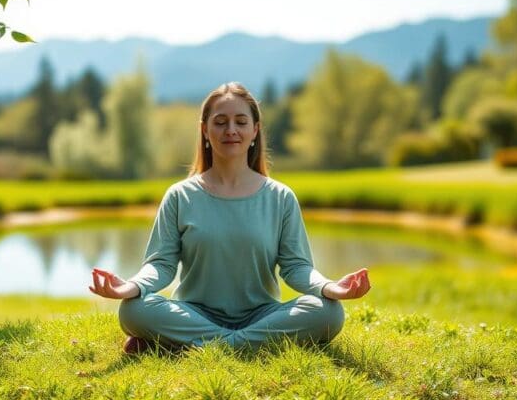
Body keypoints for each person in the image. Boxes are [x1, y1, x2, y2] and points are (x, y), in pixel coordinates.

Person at [89, 82, 370, 353]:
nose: (231, 130)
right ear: (205, 130)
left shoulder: (280, 197)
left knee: (329, 312)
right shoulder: (179, 196)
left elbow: (296, 266)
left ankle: (194, 345)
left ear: (255, 130)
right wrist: (132, 286)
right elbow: (161, 265)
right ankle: (241, 344)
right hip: (194, 313)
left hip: (263, 315)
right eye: (220, 122)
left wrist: (328, 287)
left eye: (240, 122)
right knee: (134, 310)